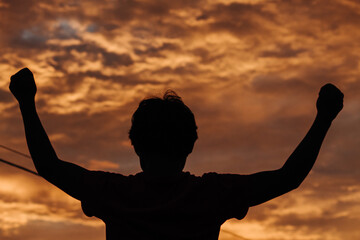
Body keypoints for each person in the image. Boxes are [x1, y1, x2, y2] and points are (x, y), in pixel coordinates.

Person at [9, 68, 344, 240]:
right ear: (190, 146)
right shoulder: (211, 195)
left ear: (135, 145)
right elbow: (289, 177)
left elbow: (48, 166)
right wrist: (324, 118)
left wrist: (26, 101)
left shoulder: (116, 195)